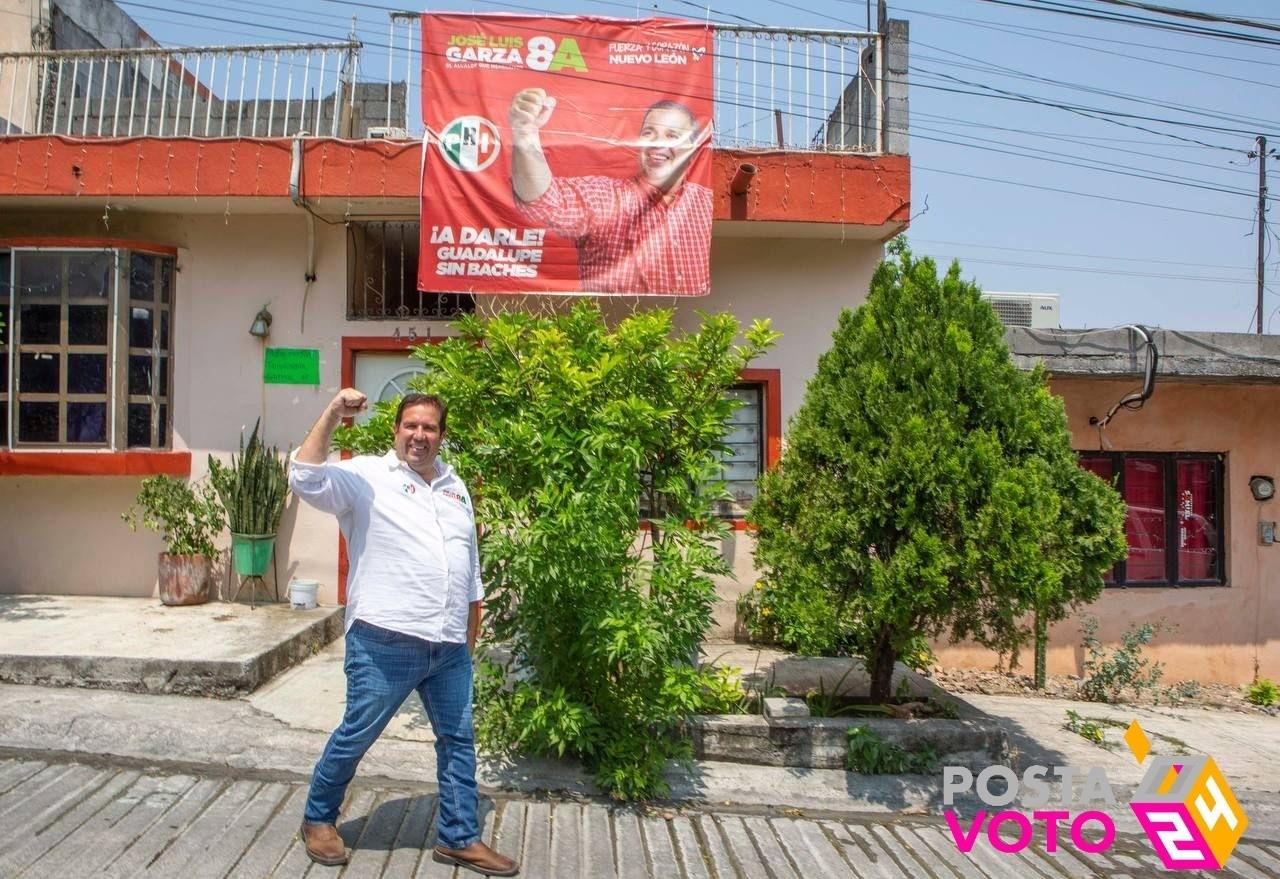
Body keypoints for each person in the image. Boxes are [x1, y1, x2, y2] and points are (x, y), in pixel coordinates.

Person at [289, 388, 518, 876]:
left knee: (457, 740)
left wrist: (467, 640)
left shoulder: (457, 487)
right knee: (358, 734)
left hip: (449, 645)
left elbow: (469, 568)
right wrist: (332, 412)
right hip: (384, 640)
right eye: (410, 425)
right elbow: (305, 477)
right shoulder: (366, 476)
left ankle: (458, 837)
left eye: (429, 427)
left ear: (441, 435)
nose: (419, 435)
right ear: (396, 431)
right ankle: (318, 819)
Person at [508, 89, 712, 295]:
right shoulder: (607, 198)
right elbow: (544, 200)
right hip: (615, 327)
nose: (656, 142)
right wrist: (525, 133)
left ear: (692, 151)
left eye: (672, 136)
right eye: (648, 133)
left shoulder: (705, 204)